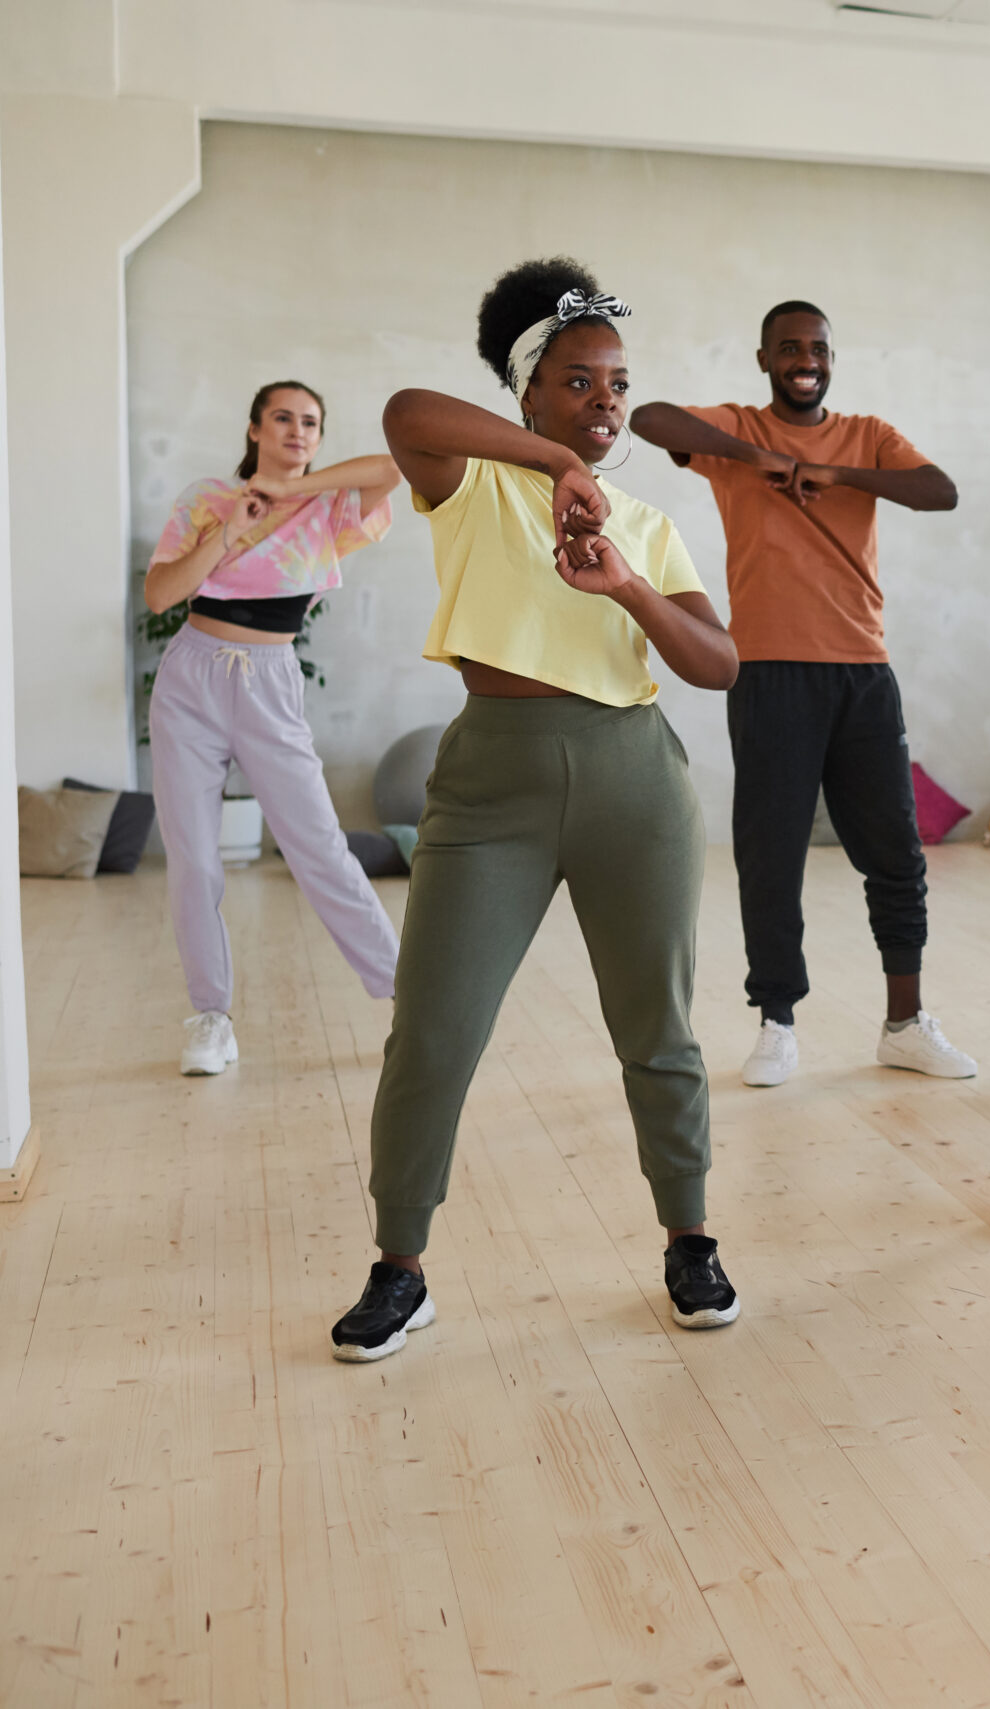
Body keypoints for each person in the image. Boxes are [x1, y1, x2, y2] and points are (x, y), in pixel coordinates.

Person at [328, 258, 742, 1364]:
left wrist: (630, 588)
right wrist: (556, 462)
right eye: (576, 381)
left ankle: (689, 1239)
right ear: (528, 391)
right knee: (434, 1030)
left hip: (634, 779)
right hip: (489, 785)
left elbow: (719, 663)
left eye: (615, 383)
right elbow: (405, 413)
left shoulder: (647, 524)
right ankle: (399, 1265)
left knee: (658, 1031)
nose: (604, 401)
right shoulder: (472, 482)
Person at [629, 303, 974, 1090]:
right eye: (789, 348)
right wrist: (756, 456)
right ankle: (776, 1022)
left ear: (830, 357)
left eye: (817, 347)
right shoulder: (735, 429)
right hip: (769, 672)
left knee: (896, 853)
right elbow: (651, 417)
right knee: (770, 855)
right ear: (764, 358)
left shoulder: (867, 434)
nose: (805, 359)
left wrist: (836, 473)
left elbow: (940, 491)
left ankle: (906, 1022)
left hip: (862, 669)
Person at [142, 381, 403, 1077]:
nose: (296, 429)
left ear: (319, 439)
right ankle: (210, 1016)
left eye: (310, 422)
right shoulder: (205, 499)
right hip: (191, 676)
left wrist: (295, 489)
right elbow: (162, 593)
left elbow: (394, 467)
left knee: (319, 848)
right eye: (282, 417)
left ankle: (409, 999)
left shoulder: (329, 509)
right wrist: (230, 528)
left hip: (269, 680)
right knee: (194, 859)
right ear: (255, 427)